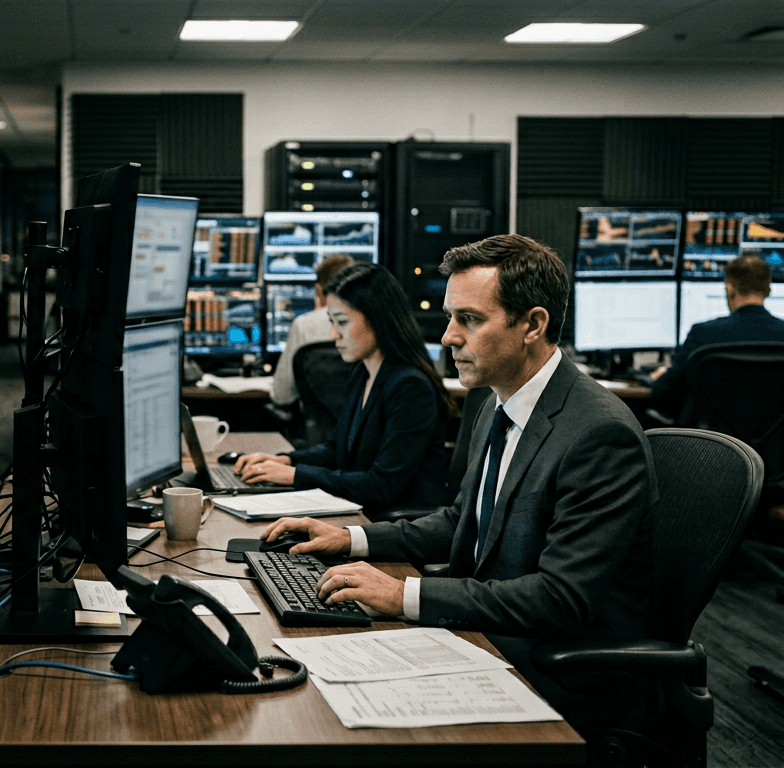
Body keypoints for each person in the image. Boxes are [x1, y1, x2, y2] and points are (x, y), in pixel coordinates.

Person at [261, 234, 657, 726]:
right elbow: (461, 520)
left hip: (556, 669)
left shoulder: (599, 433)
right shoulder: (499, 399)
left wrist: (403, 596)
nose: (448, 336)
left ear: (533, 324)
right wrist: (350, 539)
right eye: (451, 317)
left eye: (468, 319)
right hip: (489, 633)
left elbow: (560, 598)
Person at [234, 262, 457, 512]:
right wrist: (286, 459)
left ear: (377, 318)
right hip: (359, 511)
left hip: (393, 525)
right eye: (332, 322)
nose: (334, 334)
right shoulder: (363, 372)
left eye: (342, 322)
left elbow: (382, 485)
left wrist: (294, 475)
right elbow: (336, 448)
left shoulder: (410, 387)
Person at [650, 253, 784, 418]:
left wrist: (660, 377)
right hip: (774, 441)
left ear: (730, 288)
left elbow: (667, 390)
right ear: (768, 290)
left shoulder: (703, 334)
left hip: (711, 441)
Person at [271, 253, 356, 406]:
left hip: (318, 428)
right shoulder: (374, 322)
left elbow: (281, 395)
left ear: (318, 289)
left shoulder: (304, 325)